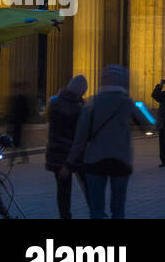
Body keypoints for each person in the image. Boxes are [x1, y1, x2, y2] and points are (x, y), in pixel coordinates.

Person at [67, 65, 150, 219]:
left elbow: (80, 138)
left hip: (95, 160)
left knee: (96, 207)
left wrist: (69, 162)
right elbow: (147, 124)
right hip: (121, 160)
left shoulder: (91, 103)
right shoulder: (127, 102)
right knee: (118, 208)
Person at [44, 75, 87, 220]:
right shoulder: (78, 108)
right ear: (80, 92)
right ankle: (97, 212)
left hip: (57, 154)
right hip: (75, 155)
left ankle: (65, 217)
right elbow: (81, 134)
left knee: (63, 191)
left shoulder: (54, 102)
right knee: (88, 187)